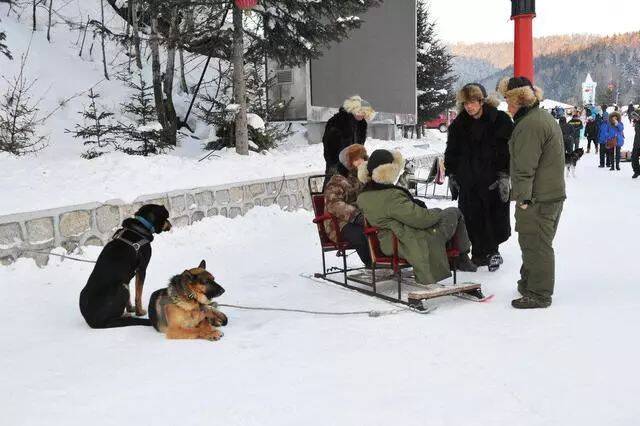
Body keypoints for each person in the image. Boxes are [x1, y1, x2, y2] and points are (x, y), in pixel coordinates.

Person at [356, 149, 477, 286]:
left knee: (445, 217)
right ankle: (462, 256)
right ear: (388, 172)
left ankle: (458, 257)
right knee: (454, 212)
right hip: (403, 242)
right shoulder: (391, 196)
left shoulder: (364, 196)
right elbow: (420, 219)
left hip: (389, 240)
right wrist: (438, 211)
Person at [497, 76, 566, 309]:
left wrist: (523, 198)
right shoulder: (539, 117)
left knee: (536, 244)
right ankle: (529, 282)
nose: (507, 105)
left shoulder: (530, 124)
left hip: (537, 197)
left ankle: (538, 293)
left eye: (509, 100)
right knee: (533, 242)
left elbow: (526, 166)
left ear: (519, 99)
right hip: (548, 195)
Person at [444, 83, 514, 271]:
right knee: (470, 218)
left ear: (481, 101)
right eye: (466, 103)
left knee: (494, 217)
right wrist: (452, 174)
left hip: (492, 179)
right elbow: (451, 151)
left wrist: (504, 175)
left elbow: (508, 150)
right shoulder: (459, 124)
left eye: (473, 102)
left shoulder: (499, 120)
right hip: (468, 180)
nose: (469, 106)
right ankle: (477, 253)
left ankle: (493, 252)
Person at [323, 144, 371, 267]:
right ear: (348, 163)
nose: (361, 162)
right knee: (362, 235)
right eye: (356, 159)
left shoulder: (365, 177)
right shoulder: (338, 180)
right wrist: (356, 215)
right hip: (339, 223)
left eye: (363, 158)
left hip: (364, 217)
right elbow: (333, 204)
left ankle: (386, 259)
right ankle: (371, 263)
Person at [322, 96, 375, 180]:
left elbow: (359, 147)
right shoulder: (337, 121)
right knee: (336, 189)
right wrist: (336, 165)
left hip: (354, 167)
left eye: (365, 113)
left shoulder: (361, 124)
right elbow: (329, 148)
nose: (363, 115)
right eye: (362, 112)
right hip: (337, 168)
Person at [631, 111, 640, 179]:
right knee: (634, 158)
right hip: (636, 143)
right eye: (634, 117)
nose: (635, 118)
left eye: (636, 116)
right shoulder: (636, 122)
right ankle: (636, 171)